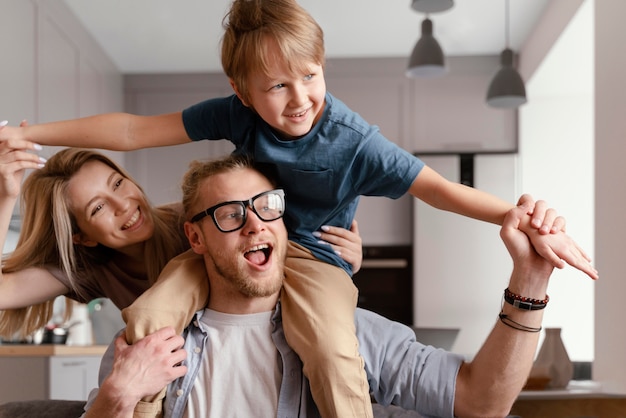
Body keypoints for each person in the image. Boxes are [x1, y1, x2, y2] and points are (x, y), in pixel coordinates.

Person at [0, 0, 598, 415]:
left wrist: (510, 217)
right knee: (151, 315)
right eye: (276, 87)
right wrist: (33, 133)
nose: (299, 100)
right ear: (197, 235)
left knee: (335, 350)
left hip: (314, 257)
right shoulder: (186, 230)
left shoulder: (354, 140)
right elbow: (132, 128)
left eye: (309, 76)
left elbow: (436, 188)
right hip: (210, 282)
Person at [81, 153, 576, 418]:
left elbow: (481, 402)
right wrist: (117, 396)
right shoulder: (144, 347)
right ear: (195, 237)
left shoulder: (345, 334)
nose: (255, 225)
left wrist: (529, 278)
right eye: (231, 214)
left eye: (266, 206)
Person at [0, 146, 362, 339]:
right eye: (98, 208)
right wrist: (6, 195)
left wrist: (345, 258)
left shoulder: (198, 222)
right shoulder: (92, 270)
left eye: (117, 183)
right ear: (81, 237)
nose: (123, 204)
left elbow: (270, 236)